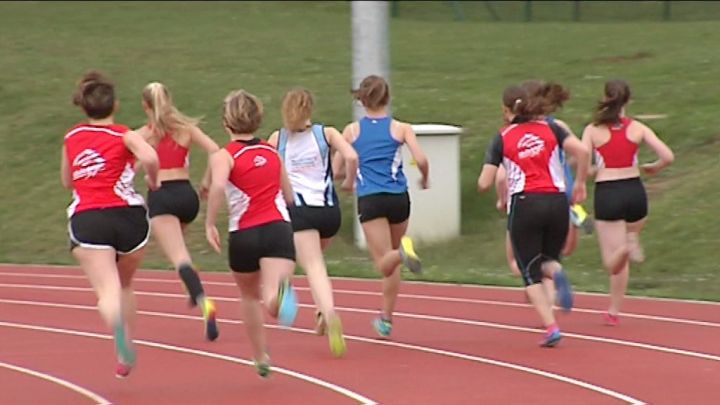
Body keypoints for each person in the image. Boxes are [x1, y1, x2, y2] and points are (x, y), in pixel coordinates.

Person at [61, 71, 160, 377]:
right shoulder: (124, 134)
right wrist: (152, 180)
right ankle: (125, 345)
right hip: (129, 218)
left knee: (108, 291)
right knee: (125, 284)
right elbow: (151, 155)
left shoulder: (72, 137)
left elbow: (67, 181)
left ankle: (119, 338)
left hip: (90, 219)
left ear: (83, 107)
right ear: (115, 104)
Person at [478, 83, 590, 347]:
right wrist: (582, 183)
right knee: (548, 259)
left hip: (526, 202)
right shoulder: (553, 128)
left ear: (506, 111)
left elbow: (485, 182)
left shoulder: (503, 137)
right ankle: (558, 270)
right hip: (557, 201)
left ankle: (551, 327)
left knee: (529, 271)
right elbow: (583, 152)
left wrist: (491, 186)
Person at [205, 89, 299, 377]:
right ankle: (278, 297)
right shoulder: (272, 153)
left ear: (226, 123)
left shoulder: (224, 155)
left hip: (244, 233)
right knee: (271, 295)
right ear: (257, 120)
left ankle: (260, 357)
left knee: (248, 296)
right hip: (277, 228)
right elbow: (290, 196)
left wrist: (210, 222)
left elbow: (218, 186)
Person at [334, 75, 429, 338]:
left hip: (371, 198)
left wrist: (345, 179)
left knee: (385, 262)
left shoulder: (351, 132)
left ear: (362, 100)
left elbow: (337, 168)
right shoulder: (401, 128)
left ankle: (403, 253)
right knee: (391, 263)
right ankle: (386, 319)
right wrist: (425, 177)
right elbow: (420, 158)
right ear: (388, 98)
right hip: (399, 197)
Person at [267, 88, 358, 357]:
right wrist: (349, 183)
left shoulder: (277, 139)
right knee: (314, 259)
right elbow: (351, 156)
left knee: (313, 264)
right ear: (310, 109)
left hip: (300, 210)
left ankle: (329, 315)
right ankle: (320, 311)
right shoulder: (326, 134)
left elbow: (268, 170)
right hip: (329, 212)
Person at [581, 79, 674, 326]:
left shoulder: (592, 130)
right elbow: (667, 156)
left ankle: (626, 247)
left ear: (605, 98)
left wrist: (584, 176)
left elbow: (584, 161)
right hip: (635, 192)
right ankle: (614, 310)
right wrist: (653, 168)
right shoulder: (638, 128)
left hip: (608, 192)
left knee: (612, 263)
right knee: (625, 247)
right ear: (628, 101)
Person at [135, 82, 220, 341]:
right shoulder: (186, 129)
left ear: (145, 106)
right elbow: (216, 151)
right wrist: (206, 182)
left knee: (179, 257)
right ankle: (192, 289)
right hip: (187, 195)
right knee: (179, 248)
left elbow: (130, 167)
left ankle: (204, 301)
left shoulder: (142, 135)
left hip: (162, 196)